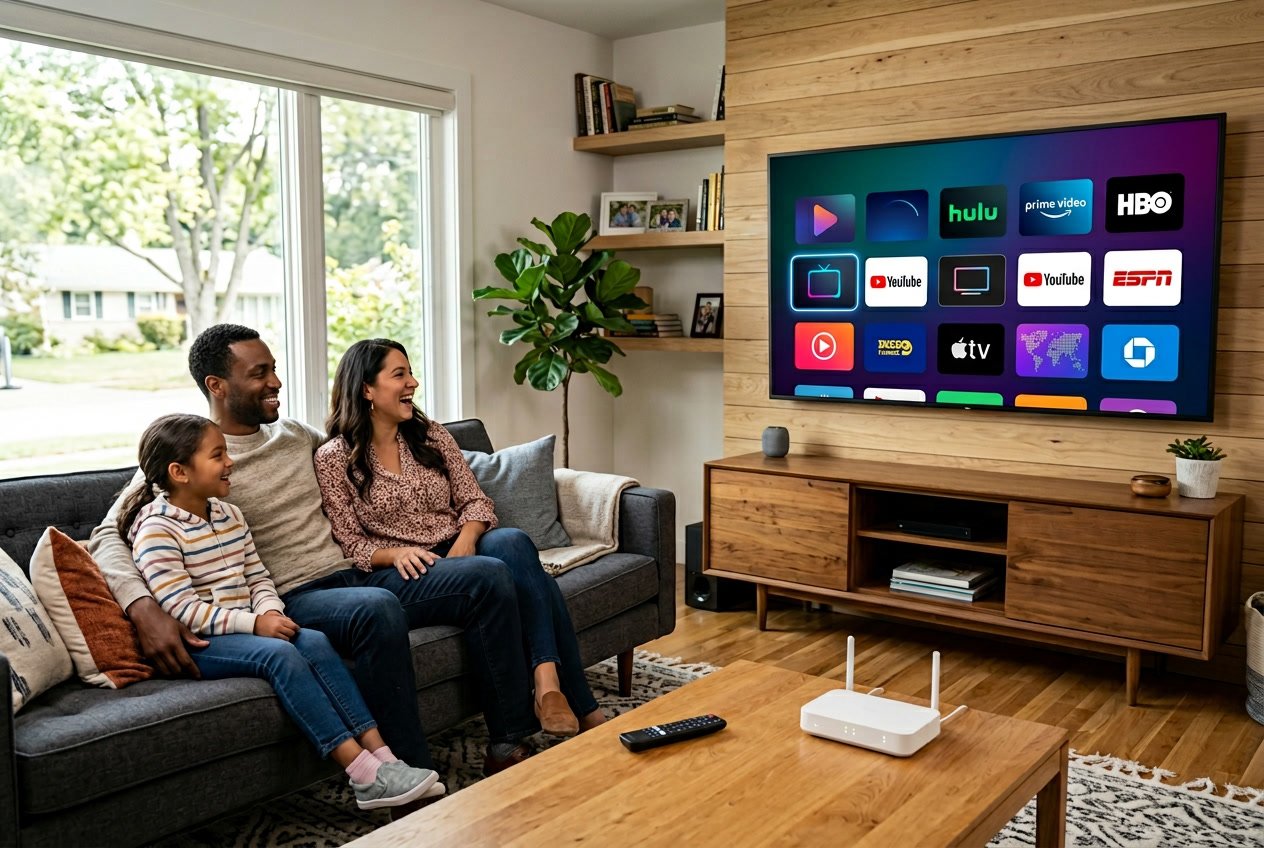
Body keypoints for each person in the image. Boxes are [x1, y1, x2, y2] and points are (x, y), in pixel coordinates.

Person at [89, 324, 540, 782]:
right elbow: (107, 536)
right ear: (216, 386)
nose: (276, 383)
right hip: (293, 597)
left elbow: (364, 459)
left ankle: (509, 741)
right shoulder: (193, 460)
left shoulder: (296, 436)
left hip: (356, 574)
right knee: (377, 609)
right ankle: (409, 775)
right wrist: (144, 608)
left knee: (486, 576)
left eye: (275, 369)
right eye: (260, 373)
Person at [120, 413, 441, 810]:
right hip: (205, 640)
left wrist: (271, 613)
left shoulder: (229, 514)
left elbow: (258, 577)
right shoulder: (156, 528)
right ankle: (363, 775)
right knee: (281, 655)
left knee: (314, 640)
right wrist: (256, 624)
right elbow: (181, 608)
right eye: (217, 455)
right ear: (179, 472)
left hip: (249, 625)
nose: (230, 462)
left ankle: (387, 759)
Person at [313, 339, 607, 737]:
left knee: (515, 543)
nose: (413, 383)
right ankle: (584, 708)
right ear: (366, 388)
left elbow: (474, 500)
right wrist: (396, 553)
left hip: (456, 546)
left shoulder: (430, 435)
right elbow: (352, 544)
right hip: (403, 570)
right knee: (519, 577)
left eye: (410, 372)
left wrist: (466, 542)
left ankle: (547, 685)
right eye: (399, 374)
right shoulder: (334, 458)